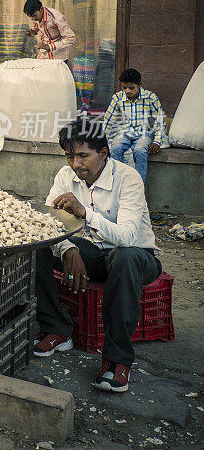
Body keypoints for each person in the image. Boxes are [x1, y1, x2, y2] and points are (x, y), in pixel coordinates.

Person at [35, 116, 161, 393]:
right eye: (70, 156)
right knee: (38, 245)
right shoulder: (64, 176)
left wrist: (84, 213)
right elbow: (47, 224)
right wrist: (68, 248)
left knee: (125, 256)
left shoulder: (128, 179)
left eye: (83, 155)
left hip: (139, 258)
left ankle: (116, 361)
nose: (76, 164)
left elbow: (128, 237)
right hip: (93, 253)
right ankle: (56, 328)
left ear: (103, 153)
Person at [102, 68, 164, 182]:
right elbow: (108, 120)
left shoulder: (150, 97)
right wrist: (102, 139)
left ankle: (138, 185)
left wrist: (157, 141)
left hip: (144, 134)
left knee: (140, 150)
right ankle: (117, 182)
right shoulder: (117, 98)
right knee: (115, 148)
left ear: (139, 84)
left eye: (131, 88)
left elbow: (159, 120)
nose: (128, 91)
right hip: (124, 133)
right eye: (124, 87)